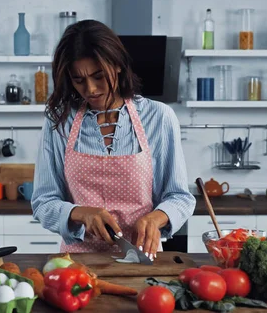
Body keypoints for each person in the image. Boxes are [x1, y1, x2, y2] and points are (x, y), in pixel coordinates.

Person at [31, 19, 195, 261]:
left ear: (117, 64)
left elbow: (180, 197)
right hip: (77, 265)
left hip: (142, 260)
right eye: (78, 80)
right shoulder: (59, 122)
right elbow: (43, 202)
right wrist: (80, 213)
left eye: (99, 76)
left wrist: (156, 217)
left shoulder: (159, 117)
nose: (91, 89)